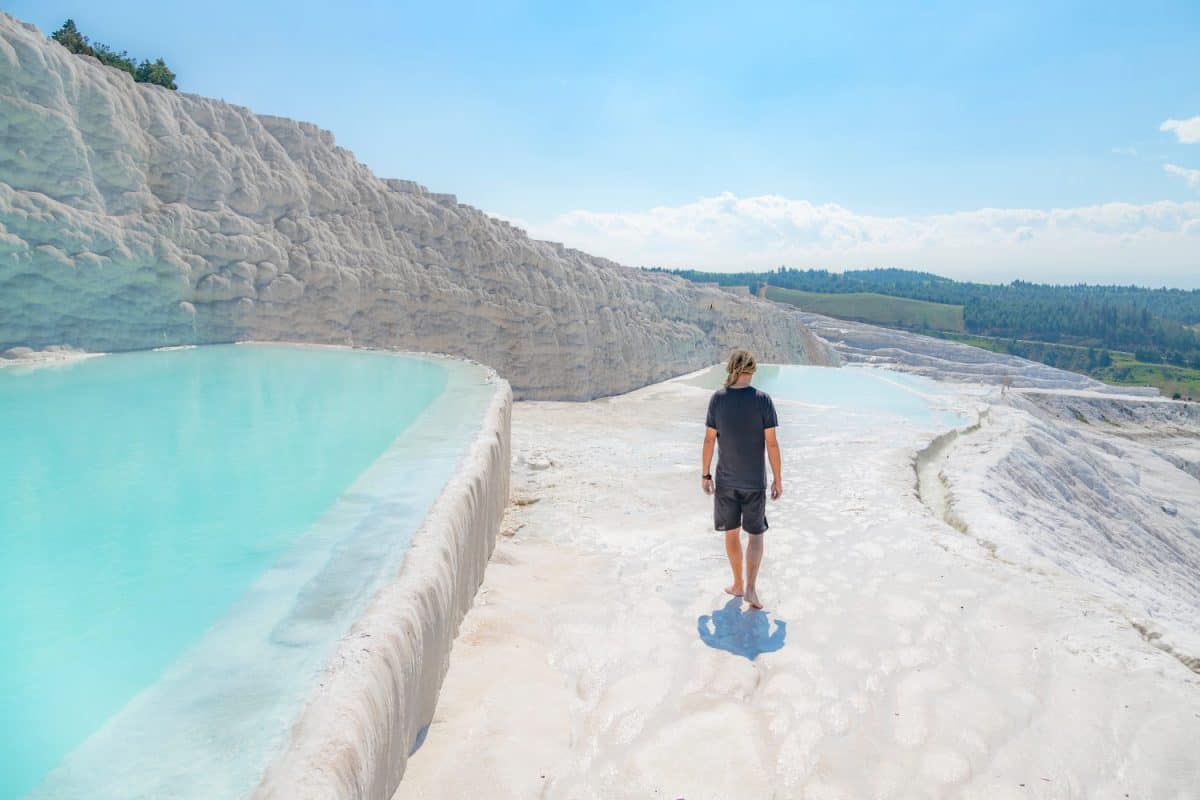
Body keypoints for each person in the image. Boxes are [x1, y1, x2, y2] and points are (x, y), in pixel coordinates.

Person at [701, 350, 782, 610]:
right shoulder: (763, 400)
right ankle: (750, 589)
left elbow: (709, 439)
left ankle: (737, 583)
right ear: (752, 370)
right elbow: (771, 443)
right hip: (754, 482)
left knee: (732, 533)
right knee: (756, 535)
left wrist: (705, 474)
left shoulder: (718, 399)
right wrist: (777, 479)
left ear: (732, 369)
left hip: (726, 481)